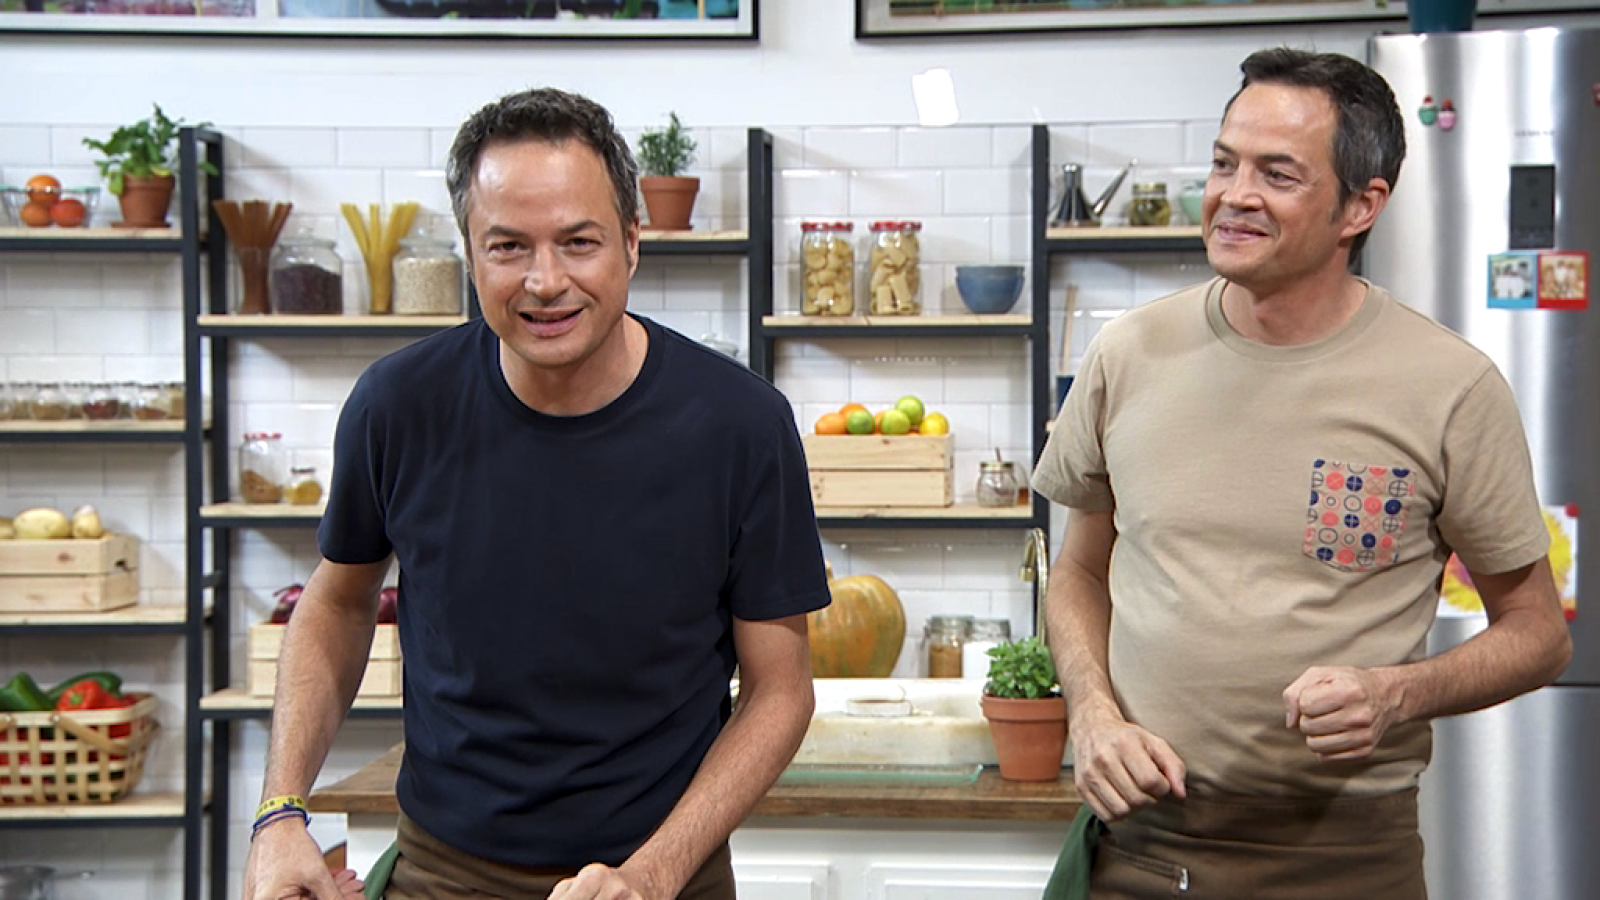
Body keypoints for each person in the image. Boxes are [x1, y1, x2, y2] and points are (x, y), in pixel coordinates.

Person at [241, 87, 830, 900]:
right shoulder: (397, 406)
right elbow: (338, 604)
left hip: (662, 877)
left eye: (579, 242)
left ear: (632, 242)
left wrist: (653, 873)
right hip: (442, 876)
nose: (545, 281)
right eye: (508, 246)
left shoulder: (740, 425)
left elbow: (780, 690)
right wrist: (279, 813)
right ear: (470, 253)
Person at [1033, 48, 1572, 899]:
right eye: (1224, 164)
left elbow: (1538, 632)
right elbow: (1077, 572)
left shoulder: (1450, 387)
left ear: (1361, 206)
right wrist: (1093, 715)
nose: (1234, 195)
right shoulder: (1128, 354)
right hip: (1140, 852)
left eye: (1277, 174)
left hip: (1345, 864)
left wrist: (1396, 694)